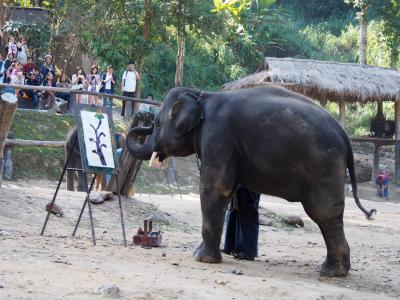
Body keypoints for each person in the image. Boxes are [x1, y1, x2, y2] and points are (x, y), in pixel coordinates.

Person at [223, 186, 260, 260]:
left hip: (250, 183)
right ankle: (230, 247)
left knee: (247, 209)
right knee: (233, 211)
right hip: (239, 185)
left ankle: (248, 252)